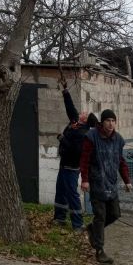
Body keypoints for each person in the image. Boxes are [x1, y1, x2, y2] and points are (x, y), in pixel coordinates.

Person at [80, 109, 133, 263]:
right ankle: (100, 250)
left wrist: (127, 180)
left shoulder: (118, 139)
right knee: (100, 216)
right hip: (97, 182)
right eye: (108, 120)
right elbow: (84, 160)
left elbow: (121, 162)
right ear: (102, 122)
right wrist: (85, 179)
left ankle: (92, 229)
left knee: (115, 213)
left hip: (111, 182)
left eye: (113, 121)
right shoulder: (92, 137)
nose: (111, 124)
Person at [54, 80, 98, 230]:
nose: (81, 112)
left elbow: (75, 150)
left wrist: (62, 138)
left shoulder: (83, 133)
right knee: (60, 190)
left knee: (72, 194)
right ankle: (59, 217)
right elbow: (70, 108)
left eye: (84, 113)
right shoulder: (76, 123)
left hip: (72, 167)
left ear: (85, 120)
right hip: (64, 163)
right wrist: (65, 91)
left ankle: (78, 224)